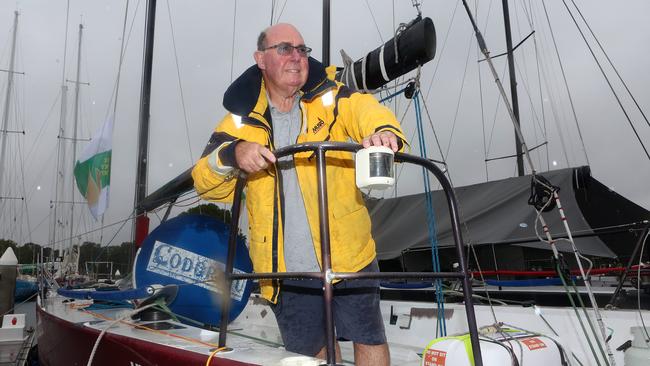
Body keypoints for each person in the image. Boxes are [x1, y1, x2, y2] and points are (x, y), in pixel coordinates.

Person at [192, 23, 406, 366]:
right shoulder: (238, 122)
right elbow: (205, 180)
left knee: (369, 338)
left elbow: (367, 110)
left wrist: (382, 132)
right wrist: (232, 154)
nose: (297, 56)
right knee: (314, 355)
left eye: (302, 50)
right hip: (284, 270)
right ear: (260, 59)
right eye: (285, 49)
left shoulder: (334, 96)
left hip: (350, 255)